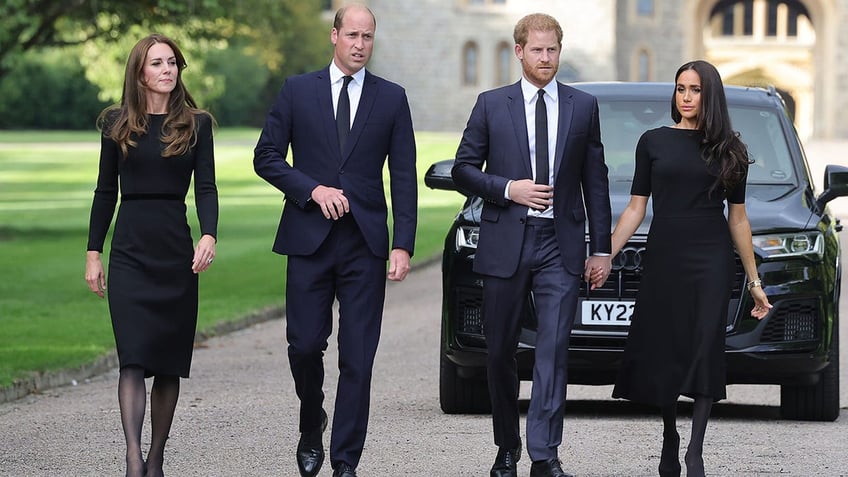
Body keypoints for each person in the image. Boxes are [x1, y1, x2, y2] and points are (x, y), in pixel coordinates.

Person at [253, 4, 417, 477]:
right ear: (334, 35)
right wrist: (312, 190)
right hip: (309, 240)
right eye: (352, 35)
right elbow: (266, 157)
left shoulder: (391, 98)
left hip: (365, 244)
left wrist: (402, 244)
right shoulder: (297, 91)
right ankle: (311, 419)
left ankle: (346, 461)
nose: (360, 44)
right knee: (304, 346)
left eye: (368, 36)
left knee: (359, 357)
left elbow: (402, 177)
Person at [452, 13, 612, 477]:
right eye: (537, 50)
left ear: (560, 51)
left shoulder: (583, 106)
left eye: (553, 49)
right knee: (499, 350)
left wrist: (599, 249)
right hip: (506, 240)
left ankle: (544, 453)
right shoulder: (490, 105)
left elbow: (595, 182)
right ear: (518, 51)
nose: (546, 58)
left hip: (559, 246)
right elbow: (464, 169)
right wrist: (508, 189)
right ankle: (507, 447)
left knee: (553, 350)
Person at [600, 60, 772, 477]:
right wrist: (604, 253)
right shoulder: (653, 142)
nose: (687, 97)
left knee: (703, 345)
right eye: (681, 89)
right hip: (666, 254)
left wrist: (754, 283)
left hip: (711, 257)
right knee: (667, 346)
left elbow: (739, 219)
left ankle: (695, 449)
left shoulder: (731, 149)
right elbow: (636, 209)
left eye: (695, 90)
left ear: (709, 94)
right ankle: (669, 434)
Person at [84, 34, 218, 477]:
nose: (167, 70)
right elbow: (105, 192)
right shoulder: (116, 124)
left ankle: (156, 459)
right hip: (129, 251)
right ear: (139, 72)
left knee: (167, 362)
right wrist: (93, 253)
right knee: (134, 357)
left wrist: (209, 235)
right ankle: (132, 460)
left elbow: (206, 187)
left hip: (174, 251)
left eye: (173, 62)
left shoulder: (197, 124)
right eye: (157, 63)